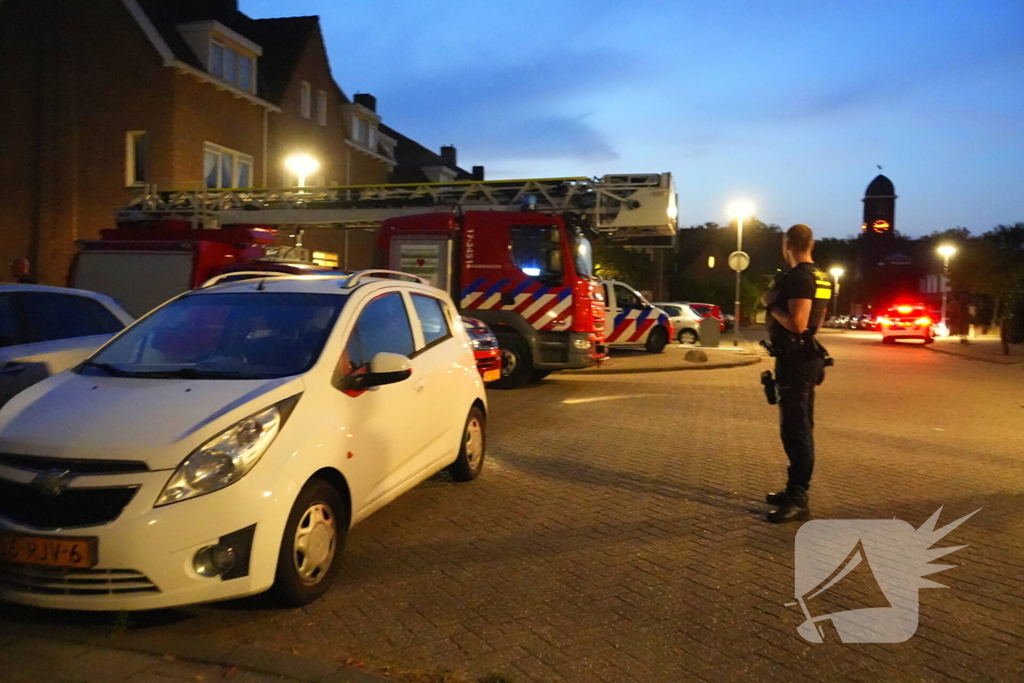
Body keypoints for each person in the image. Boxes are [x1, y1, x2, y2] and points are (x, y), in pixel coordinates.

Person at [760, 224, 832, 524]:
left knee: (796, 430)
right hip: (804, 357)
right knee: (798, 426)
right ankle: (793, 490)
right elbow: (818, 320)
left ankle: (799, 498)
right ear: (811, 244)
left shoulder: (800, 277)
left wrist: (771, 305)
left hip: (795, 361)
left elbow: (799, 323)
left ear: (786, 244)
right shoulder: (822, 277)